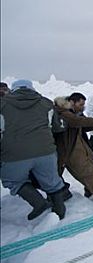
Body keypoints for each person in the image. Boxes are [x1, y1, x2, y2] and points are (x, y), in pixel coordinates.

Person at [0, 79, 66, 220]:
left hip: (14, 154)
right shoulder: (46, 103)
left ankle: (38, 203)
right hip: (45, 151)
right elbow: (57, 126)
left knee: (14, 181)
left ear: (13, 89)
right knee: (52, 182)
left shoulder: (3, 104)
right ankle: (60, 210)